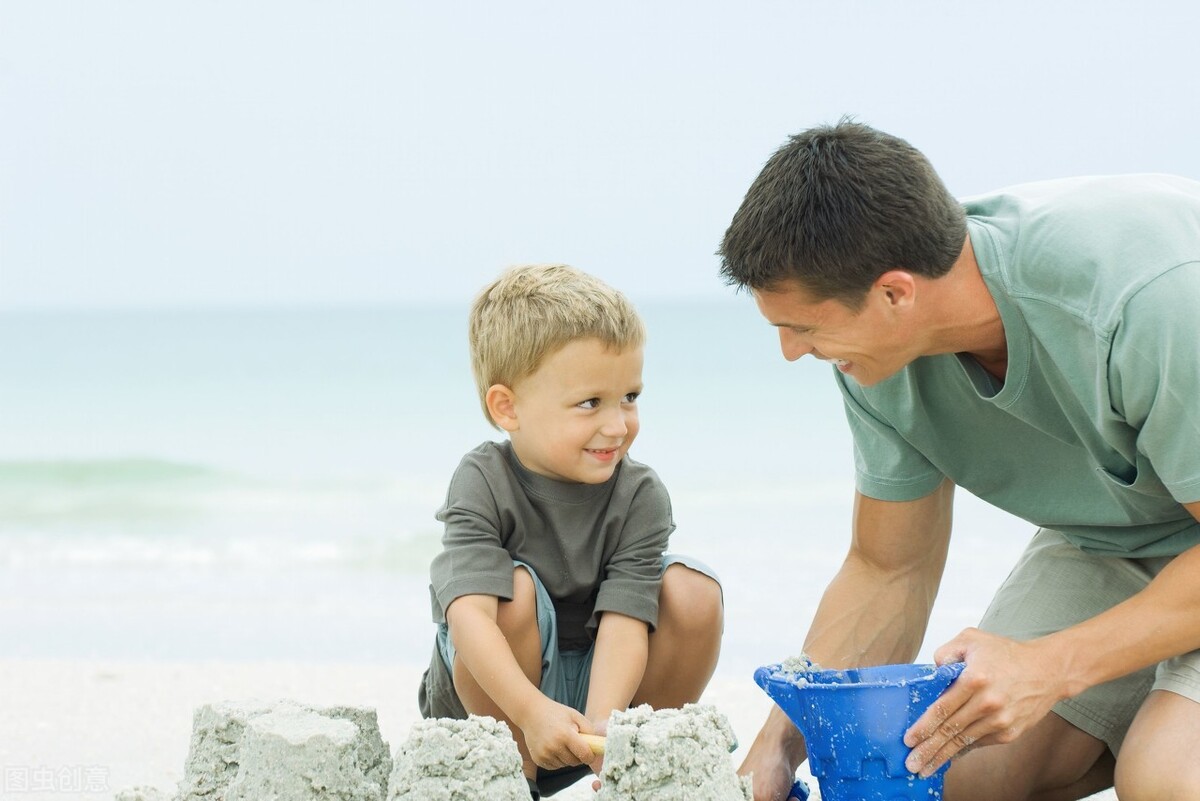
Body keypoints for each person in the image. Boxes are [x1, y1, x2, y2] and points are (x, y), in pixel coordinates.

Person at [717, 121, 1200, 801]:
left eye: (803, 326)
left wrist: (1051, 665)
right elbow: (889, 567)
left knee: (1164, 777)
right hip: (1128, 533)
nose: (792, 352)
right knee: (949, 768)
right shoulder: (874, 364)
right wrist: (779, 744)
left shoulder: (1145, 297)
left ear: (894, 294)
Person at [418, 263, 724, 798]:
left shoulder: (640, 495)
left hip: (602, 688)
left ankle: (626, 774)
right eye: (590, 403)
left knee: (692, 592)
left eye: (629, 397)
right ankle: (514, 786)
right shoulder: (482, 479)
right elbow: (467, 616)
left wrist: (605, 726)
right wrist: (533, 713)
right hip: (495, 699)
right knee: (507, 594)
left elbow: (627, 621)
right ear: (507, 407)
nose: (617, 425)